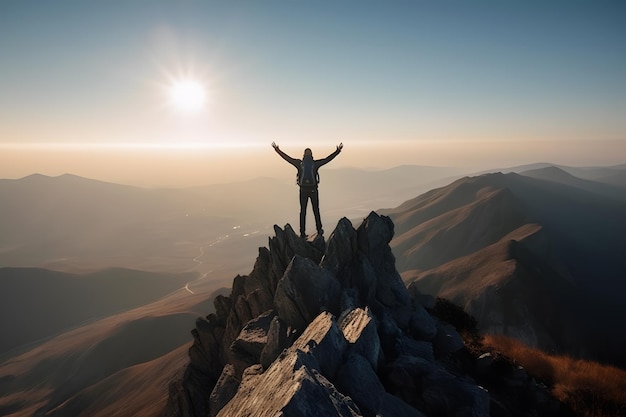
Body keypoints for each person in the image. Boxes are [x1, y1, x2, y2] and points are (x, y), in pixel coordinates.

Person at [272, 141, 343, 239]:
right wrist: (337, 151)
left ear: (304, 155)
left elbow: (287, 158)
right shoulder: (315, 164)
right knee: (316, 210)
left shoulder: (299, 163)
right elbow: (327, 159)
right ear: (312, 155)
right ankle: (319, 230)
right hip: (313, 190)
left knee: (303, 211)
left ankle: (302, 233)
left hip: (303, 191)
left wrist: (277, 150)